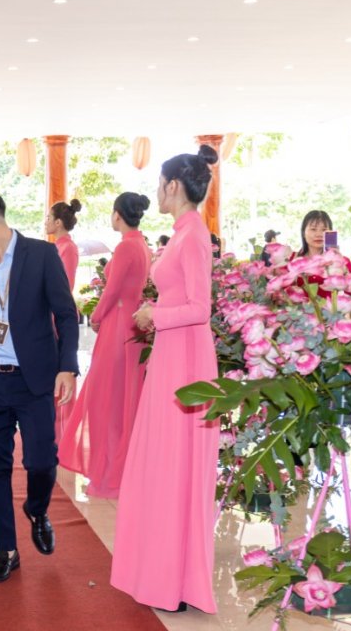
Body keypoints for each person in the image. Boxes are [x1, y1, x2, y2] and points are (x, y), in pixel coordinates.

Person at [112, 145, 220, 614]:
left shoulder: (193, 234)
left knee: (175, 465)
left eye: (159, 184)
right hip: (173, 354)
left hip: (186, 360)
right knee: (164, 463)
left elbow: (200, 307)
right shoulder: (182, 232)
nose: (156, 192)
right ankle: (162, 574)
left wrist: (155, 314)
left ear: (173, 186)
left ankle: (175, 580)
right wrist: (156, 311)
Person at [0, 187, 79, 583]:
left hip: (33, 379)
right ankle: (6, 549)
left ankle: (37, 509)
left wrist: (67, 366)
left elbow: (66, 314)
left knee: (42, 461)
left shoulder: (41, 255)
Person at [58, 193, 152, 499]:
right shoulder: (142, 244)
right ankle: (119, 470)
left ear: (118, 215)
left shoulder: (126, 246)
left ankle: (111, 472)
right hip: (133, 324)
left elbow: (111, 291)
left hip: (118, 324)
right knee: (124, 400)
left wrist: (96, 316)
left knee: (107, 400)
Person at [45, 199, 81, 447]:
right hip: (50, 315)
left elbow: (63, 288)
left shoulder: (66, 248)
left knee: (61, 373)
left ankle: (61, 436)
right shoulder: (57, 246)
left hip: (57, 318)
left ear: (58, 222)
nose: (45, 222)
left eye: (48, 218)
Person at [291, 210, 351, 298]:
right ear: (303, 233)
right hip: (299, 307)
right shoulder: (292, 259)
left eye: (324, 230)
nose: (319, 234)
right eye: (313, 229)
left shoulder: (343, 261)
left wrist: (342, 267)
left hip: (331, 306)